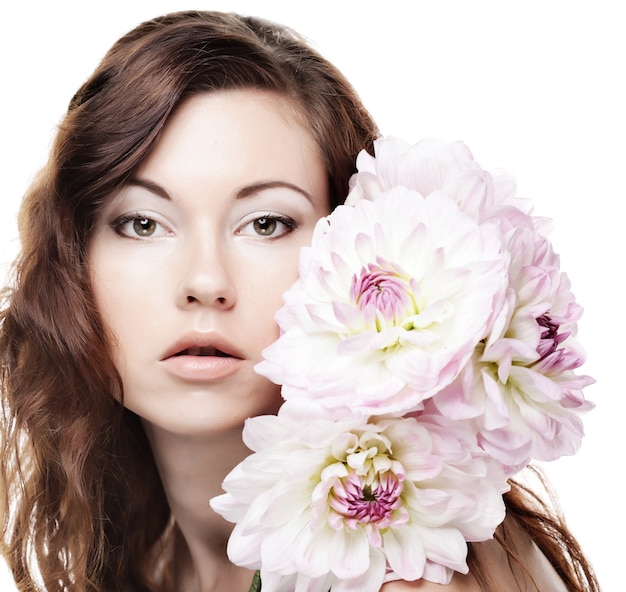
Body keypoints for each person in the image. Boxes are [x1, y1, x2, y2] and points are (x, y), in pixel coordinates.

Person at [0, 10, 599, 592]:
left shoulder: (411, 579)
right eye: (142, 223)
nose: (205, 281)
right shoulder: (142, 556)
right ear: (72, 259)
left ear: (360, 247)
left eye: (265, 224)